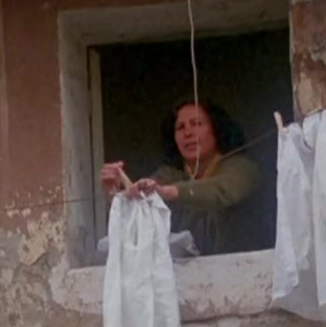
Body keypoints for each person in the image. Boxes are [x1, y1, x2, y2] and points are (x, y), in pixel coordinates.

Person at [101, 100, 265, 256]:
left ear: (217, 129)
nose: (188, 133)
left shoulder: (243, 167)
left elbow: (222, 190)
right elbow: (142, 207)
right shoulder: (169, 174)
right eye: (180, 127)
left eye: (197, 124)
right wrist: (119, 193)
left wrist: (172, 191)